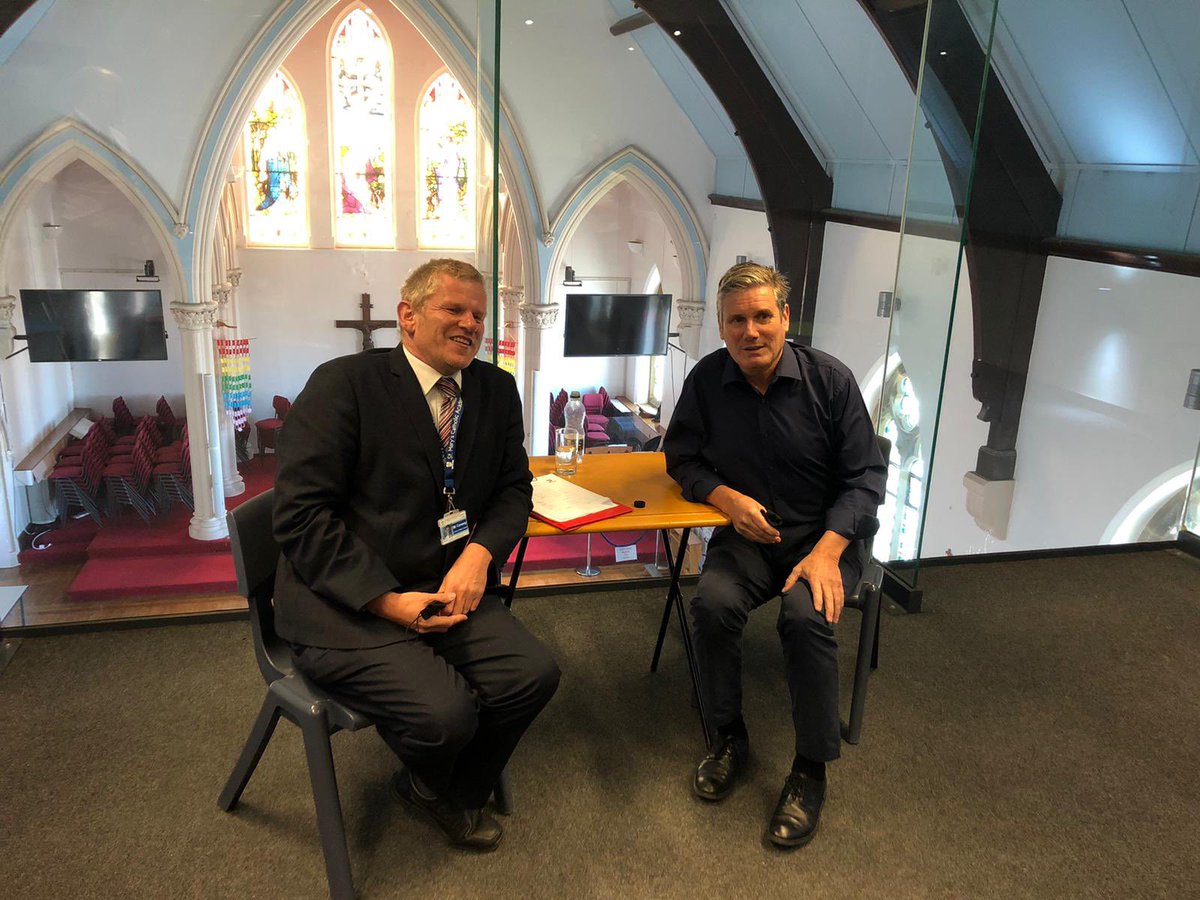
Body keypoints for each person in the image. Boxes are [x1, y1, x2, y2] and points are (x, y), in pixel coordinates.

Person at [272, 258, 560, 852]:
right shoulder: (342, 385)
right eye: (453, 309)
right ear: (407, 316)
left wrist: (479, 554)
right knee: (446, 715)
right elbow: (301, 518)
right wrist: (385, 600)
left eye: (478, 314)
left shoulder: (495, 390)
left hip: (446, 585)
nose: (470, 324)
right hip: (344, 602)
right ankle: (449, 784)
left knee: (533, 676)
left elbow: (513, 490)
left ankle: (435, 792)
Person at [664, 261, 886, 849]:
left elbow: (867, 478)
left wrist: (829, 551)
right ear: (720, 326)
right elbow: (680, 458)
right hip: (751, 536)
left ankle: (810, 771)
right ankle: (730, 737)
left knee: (804, 617)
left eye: (763, 316)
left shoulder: (830, 381)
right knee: (711, 603)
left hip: (828, 537)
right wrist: (725, 497)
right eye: (737, 320)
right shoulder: (707, 382)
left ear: (785, 317)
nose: (750, 331)